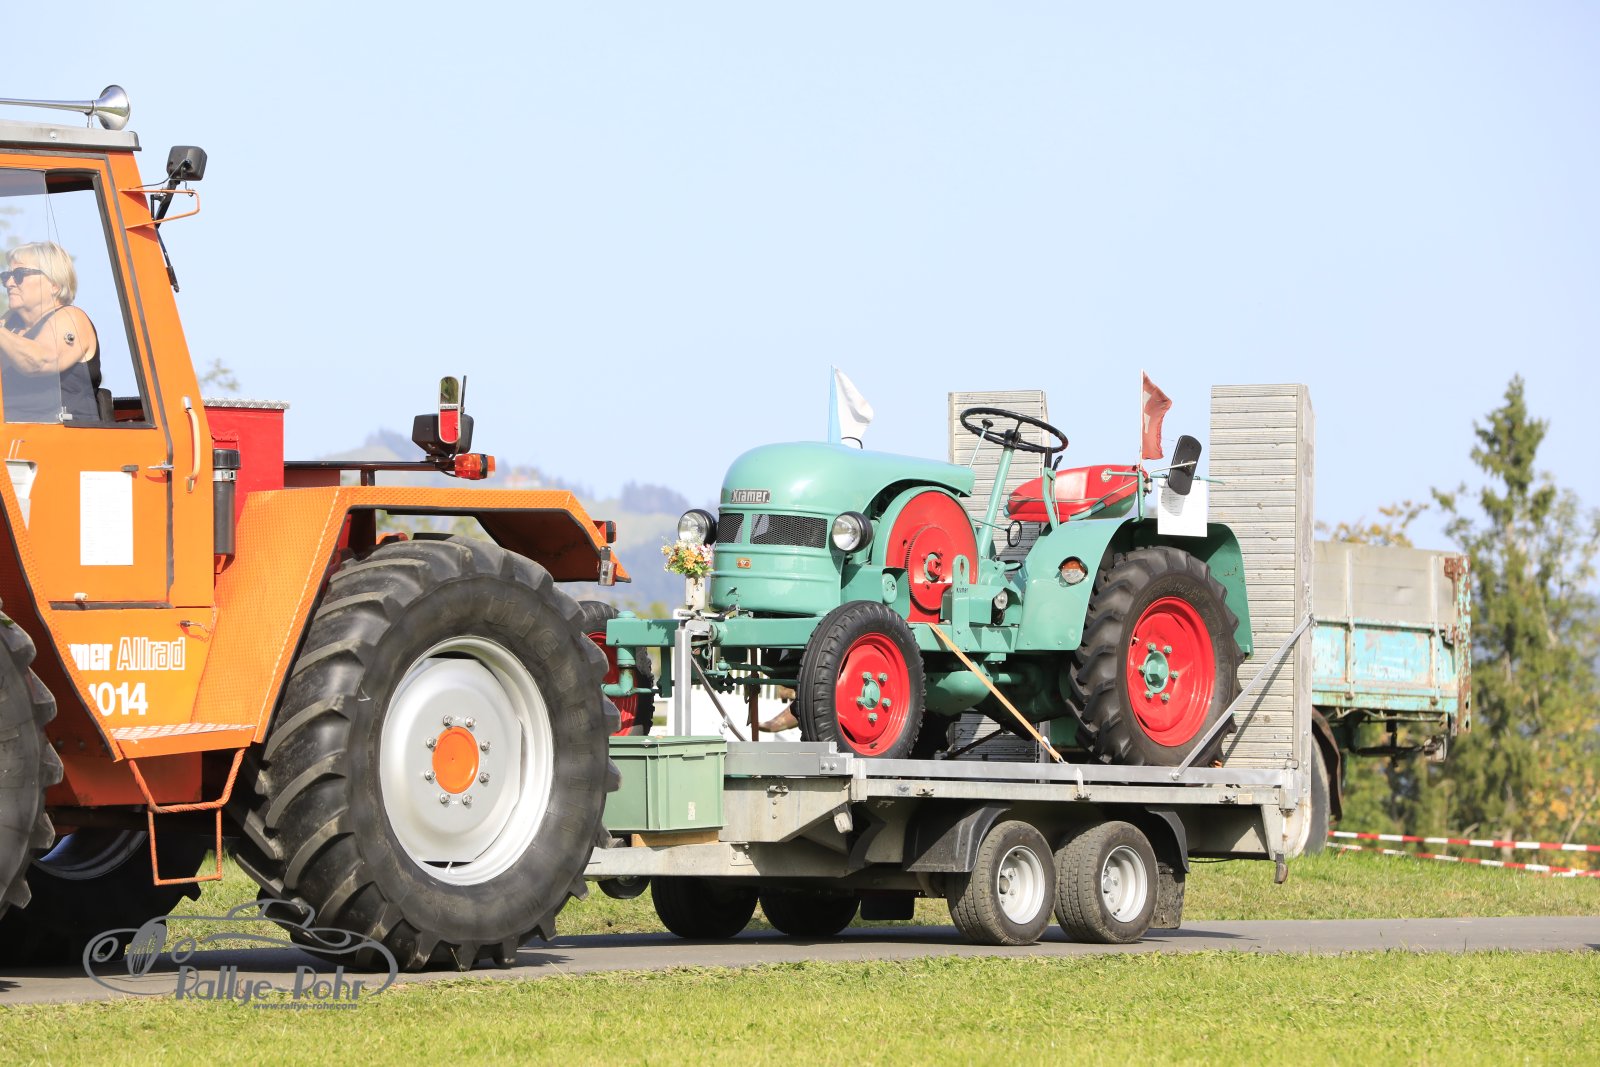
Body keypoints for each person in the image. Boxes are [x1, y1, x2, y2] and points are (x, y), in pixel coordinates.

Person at [0, 241, 101, 424]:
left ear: (54, 284)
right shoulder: (10, 327)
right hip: (14, 436)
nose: (9, 283)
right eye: (6, 276)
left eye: (19, 274)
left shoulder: (72, 317)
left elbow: (39, 361)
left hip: (63, 437)